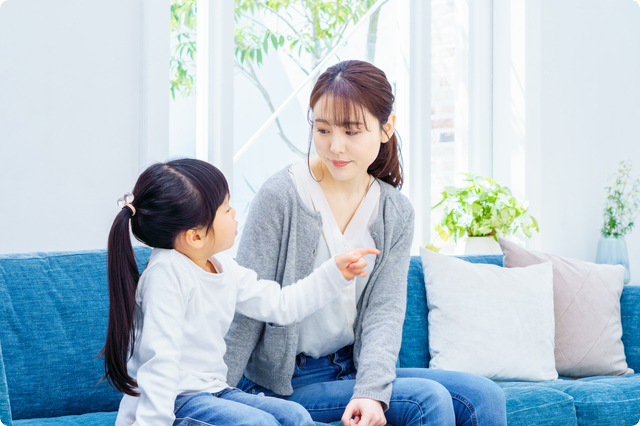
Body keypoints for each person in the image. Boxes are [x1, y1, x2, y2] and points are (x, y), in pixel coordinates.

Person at [224, 61, 507, 426]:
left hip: (352, 368)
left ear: (386, 127)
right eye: (323, 129)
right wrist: (214, 397)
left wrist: (371, 390)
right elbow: (246, 308)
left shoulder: (394, 211)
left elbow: (384, 313)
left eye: (351, 131)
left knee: (484, 396)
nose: (335, 146)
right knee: (427, 399)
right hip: (287, 383)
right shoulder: (281, 196)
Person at [101, 158, 379, 426]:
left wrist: (334, 274)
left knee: (295, 417)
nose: (234, 213)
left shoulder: (222, 267)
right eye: (225, 208)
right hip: (175, 401)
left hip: (214, 391)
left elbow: (281, 305)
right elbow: (159, 363)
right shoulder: (166, 274)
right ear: (195, 236)